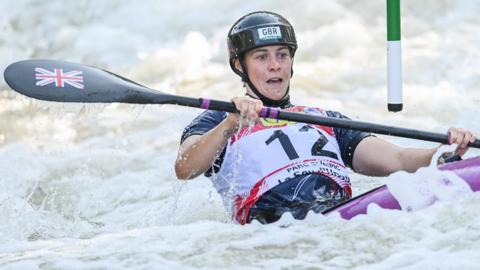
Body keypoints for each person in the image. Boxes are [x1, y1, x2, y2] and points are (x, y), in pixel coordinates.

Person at [175, 11, 476, 225]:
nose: (275, 66)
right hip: (272, 228)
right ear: (240, 65)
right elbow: (185, 167)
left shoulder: (326, 120)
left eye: (282, 54)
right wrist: (229, 123)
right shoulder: (218, 118)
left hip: (336, 218)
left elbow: (398, 159)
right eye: (262, 57)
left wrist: (444, 154)